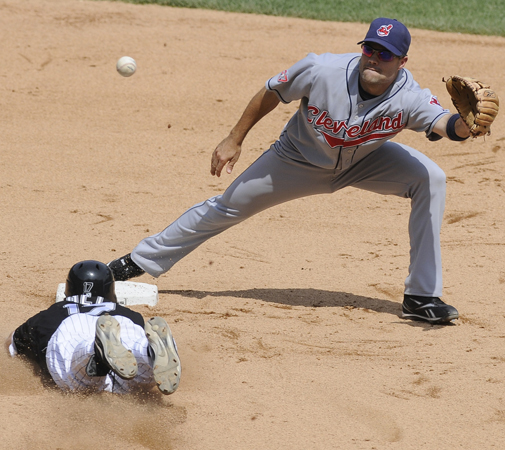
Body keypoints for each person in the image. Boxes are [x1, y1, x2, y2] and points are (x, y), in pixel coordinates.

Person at [108, 18, 474, 324]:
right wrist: (235, 137)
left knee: (431, 178)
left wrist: (466, 125)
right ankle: (138, 261)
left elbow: (445, 124)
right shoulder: (322, 69)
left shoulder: (410, 94)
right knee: (227, 206)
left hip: (365, 163)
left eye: (385, 54)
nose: (374, 59)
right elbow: (272, 91)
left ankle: (421, 297)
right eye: (369, 49)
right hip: (296, 159)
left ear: (402, 60)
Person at [6, 260, 181, 395]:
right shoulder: (131, 315)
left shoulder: (49, 316)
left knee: (76, 363)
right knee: (137, 358)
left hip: (73, 327)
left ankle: (96, 353)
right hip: (120, 323)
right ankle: (147, 353)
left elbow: (11, 346)